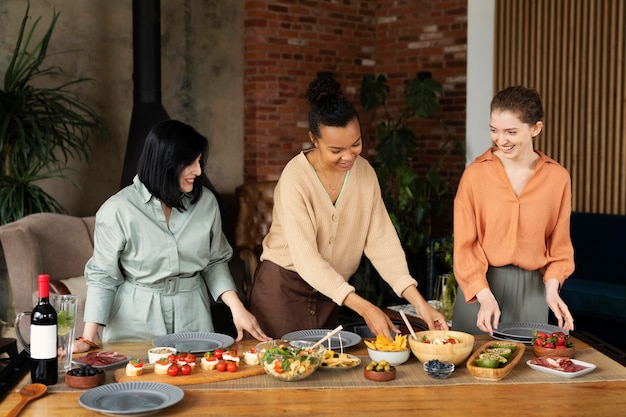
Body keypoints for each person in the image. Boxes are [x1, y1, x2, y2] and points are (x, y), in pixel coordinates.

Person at [248, 76, 448, 340]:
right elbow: (307, 260)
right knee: (284, 369)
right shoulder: (295, 178)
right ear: (313, 139)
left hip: (331, 293)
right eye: (336, 150)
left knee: (327, 373)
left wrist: (420, 304)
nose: (349, 156)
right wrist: (364, 307)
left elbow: (382, 243)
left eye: (356, 144)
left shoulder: (365, 173)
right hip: (283, 290)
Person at [74, 120, 270, 353]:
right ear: (166, 162)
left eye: (199, 161)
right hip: (134, 318)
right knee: (137, 384)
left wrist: (237, 308)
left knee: (196, 382)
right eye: (190, 163)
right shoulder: (118, 209)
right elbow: (103, 276)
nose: (198, 171)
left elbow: (215, 261)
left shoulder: (206, 203)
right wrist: (88, 338)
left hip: (193, 315)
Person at [452, 85, 575, 336]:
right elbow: (465, 245)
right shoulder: (475, 175)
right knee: (470, 367)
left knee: (527, 370)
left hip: (533, 292)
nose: (501, 140)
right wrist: (483, 295)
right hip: (481, 288)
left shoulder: (558, 178)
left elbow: (559, 246)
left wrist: (552, 290)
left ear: (535, 128)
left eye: (511, 131)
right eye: (494, 130)